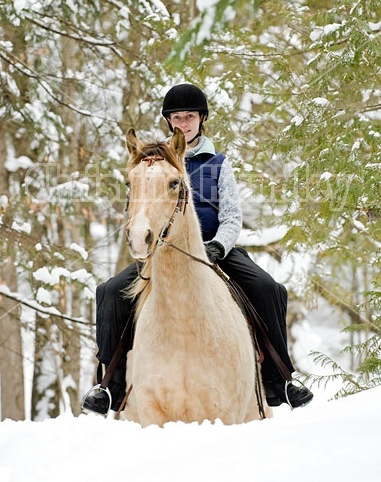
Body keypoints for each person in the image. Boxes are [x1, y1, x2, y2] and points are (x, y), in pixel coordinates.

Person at [83, 83, 313, 415]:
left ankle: (281, 379)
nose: (183, 123)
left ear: (201, 119)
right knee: (108, 292)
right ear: (168, 121)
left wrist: (218, 245)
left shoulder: (218, 164)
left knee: (268, 288)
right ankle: (109, 386)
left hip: (215, 249)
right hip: (164, 253)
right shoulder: (155, 163)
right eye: (176, 117)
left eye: (189, 117)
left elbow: (232, 215)